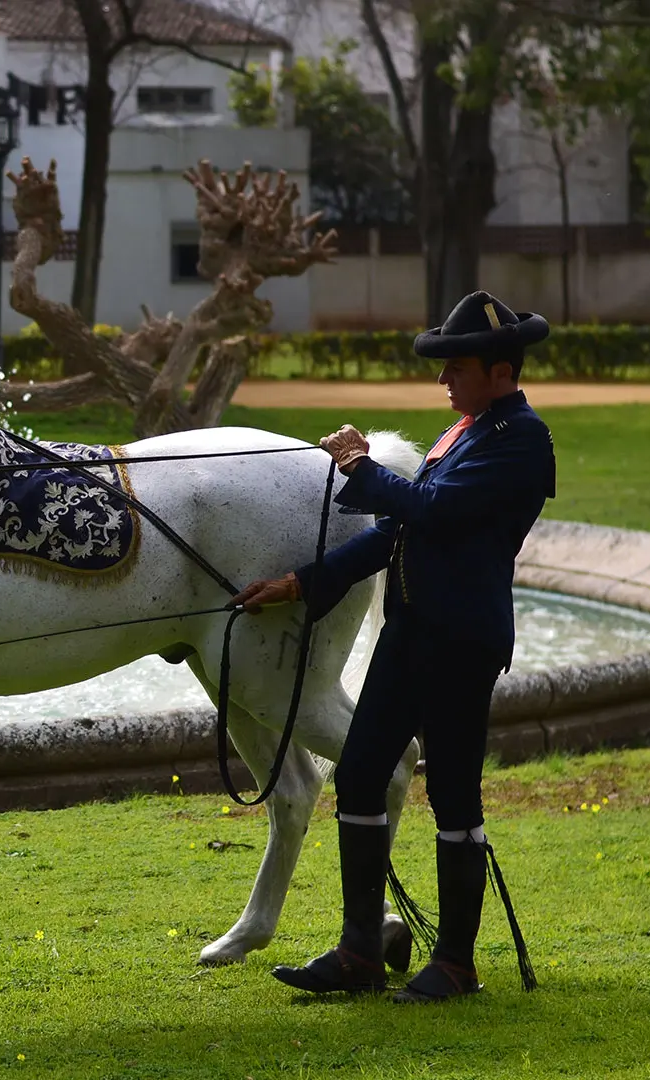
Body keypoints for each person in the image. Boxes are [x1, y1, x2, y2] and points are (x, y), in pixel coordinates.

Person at [232, 290, 556, 1003]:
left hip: (461, 642)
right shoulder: (463, 432)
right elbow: (399, 534)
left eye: (457, 367)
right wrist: (300, 583)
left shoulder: (522, 439)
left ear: (501, 371)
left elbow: (431, 510)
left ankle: (456, 964)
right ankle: (359, 951)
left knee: (454, 797)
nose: (444, 381)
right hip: (411, 635)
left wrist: (359, 467)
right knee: (359, 774)